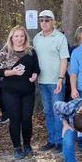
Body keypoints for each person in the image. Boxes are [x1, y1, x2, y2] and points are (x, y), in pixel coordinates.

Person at [0, 26, 40, 159]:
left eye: (22, 36)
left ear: (25, 37)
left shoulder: (31, 51)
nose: (19, 39)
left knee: (26, 119)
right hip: (10, 91)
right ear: (11, 37)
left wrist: (35, 75)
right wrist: (13, 72)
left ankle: (27, 145)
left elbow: (37, 68)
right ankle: (17, 147)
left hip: (27, 91)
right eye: (16, 36)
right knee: (14, 119)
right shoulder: (5, 52)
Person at [33, 10, 69, 152]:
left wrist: (61, 78)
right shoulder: (36, 38)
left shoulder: (60, 38)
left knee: (57, 112)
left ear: (53, 21)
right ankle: (51, 140)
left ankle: (60, 142)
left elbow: (64, 59)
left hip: (56, 81)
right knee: (48, 111)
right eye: (41, 20)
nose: (44, 22)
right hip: (42, 81)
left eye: (47, 20)